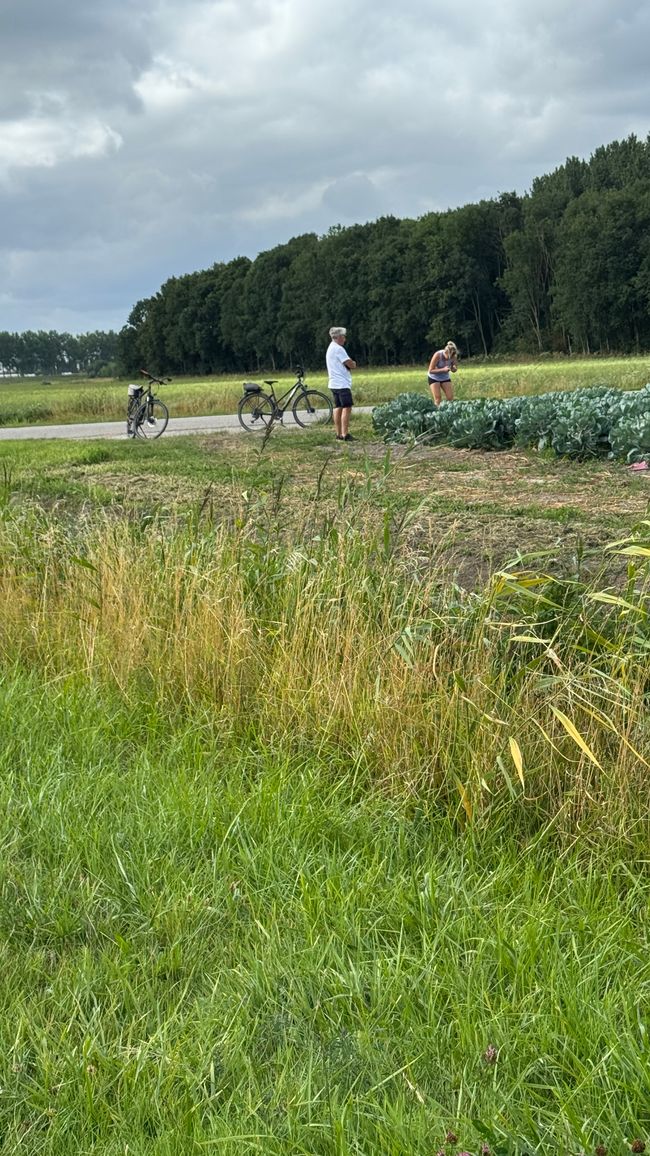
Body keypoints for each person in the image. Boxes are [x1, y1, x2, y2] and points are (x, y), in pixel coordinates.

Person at [326, 326, 356, 441]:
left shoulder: (330, 347)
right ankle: (345, 434)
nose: (344, 339)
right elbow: (349, 363)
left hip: (333, 383)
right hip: (342, 384)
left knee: (338, 407)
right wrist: (354, 363)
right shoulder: (339, 349)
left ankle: (338, 433)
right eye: (343, 336)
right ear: (338, 337)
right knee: (346, 407)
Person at [428, 340, 458, 405]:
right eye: (448, 357)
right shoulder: (438, 355)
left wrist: (454, 369)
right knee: (438, 398)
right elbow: (430, 370)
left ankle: (449, 412)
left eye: (451, 357)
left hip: (445, 377)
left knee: (450, 398)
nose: (449, 359)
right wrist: (443, 370)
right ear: (445, 352)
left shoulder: (453, 356)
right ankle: (436, 413)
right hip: (434, 377)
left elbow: (454, 368)